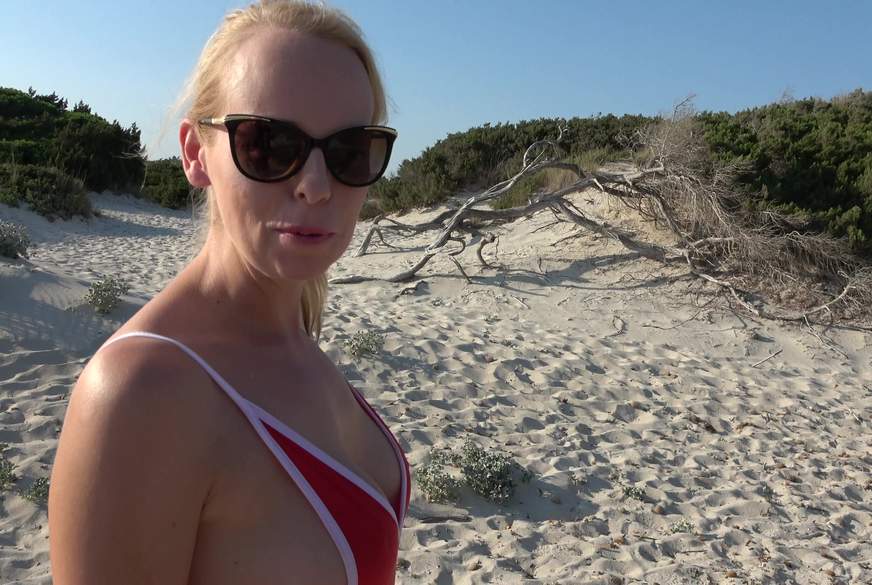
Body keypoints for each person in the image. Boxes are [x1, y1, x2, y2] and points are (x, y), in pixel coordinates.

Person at [47, 2, 409, 583]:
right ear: (196, 153)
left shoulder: (294, 336)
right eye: (269, 144)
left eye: (349, 150)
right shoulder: (141, 393)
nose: (317, 186)